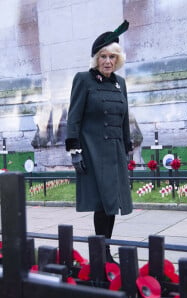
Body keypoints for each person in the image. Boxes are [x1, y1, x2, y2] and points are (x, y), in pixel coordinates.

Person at [65, 20, 133, 262]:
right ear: (96, 59)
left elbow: (124, 119)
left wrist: (128, 149)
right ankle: (101, 251)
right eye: (103, 56)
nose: (107, 61)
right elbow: (73, 118)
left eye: (112, 57)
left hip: (115, 152)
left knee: (112, 203)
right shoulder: (83, 80)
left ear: (117, 60)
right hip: (93, 152)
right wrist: (74, 150)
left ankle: (105, 249)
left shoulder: (120, 83)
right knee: (101, 204)